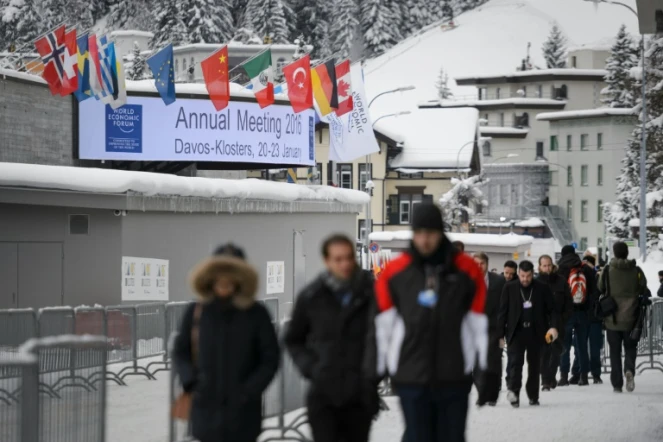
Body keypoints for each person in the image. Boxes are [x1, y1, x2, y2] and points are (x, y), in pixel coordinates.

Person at [372, 203, 487, 442]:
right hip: (410, 376)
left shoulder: (466, 270)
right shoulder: (394, 273)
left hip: (454, 375)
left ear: (440, 233)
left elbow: (480, 325)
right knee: (417, 436)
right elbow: (382, 330)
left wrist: (488, 369)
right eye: (419, 233)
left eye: (430, 233)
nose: (424, 240)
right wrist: (373, 376)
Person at [173, 244, 280, 442]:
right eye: (220, 271)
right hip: (205, 409)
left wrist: (249, 390)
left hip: (244, 414)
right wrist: (192, 382)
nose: (225, 278)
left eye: (232, 272)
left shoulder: (256, 313)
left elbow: (270, 358)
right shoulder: (197, 311)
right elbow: (181, 351)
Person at [285, 234, 379, 442]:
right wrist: (312, 368)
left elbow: (386, 337)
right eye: (338, 259)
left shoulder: (371, 294)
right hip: (323, 393)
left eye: (348, 257)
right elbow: (293, 339)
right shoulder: (312, 296)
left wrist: (373, 375)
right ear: (326, 261)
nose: (345, 264)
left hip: (360, 394)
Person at [498, 260, 558, 407]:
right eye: (523, 276)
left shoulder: (542, 288)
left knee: (534, 366)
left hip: (536, 332)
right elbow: (502, 313)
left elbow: (553, 310)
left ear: (533, 274)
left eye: (528, 276)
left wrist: (554, 327)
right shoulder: (509, 287)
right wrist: (500, 335)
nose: (525, 279)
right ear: (518, 273)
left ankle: (533, 396)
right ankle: (514, 393)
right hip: (516, 332)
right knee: (515, 364)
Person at [599, 241, 648, 393]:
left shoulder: (607, 270)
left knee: (614, 351)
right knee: (630, 347)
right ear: (627, 253)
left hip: (612, 319)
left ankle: (617, 384)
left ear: (614, 253)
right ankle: (629, 370)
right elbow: (643, 287)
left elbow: (600, 287)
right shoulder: (636, 270)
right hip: (631, 318)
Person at [557, 245, 596, 386]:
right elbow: (593, 291)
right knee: (582, 346)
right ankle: (583, 376)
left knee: (565, 345)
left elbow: (558, 294)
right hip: (583, 312)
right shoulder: (585, 268)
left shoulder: (560, 269)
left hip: (566, 314)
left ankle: (563, 377)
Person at [473, 252, 506, 406]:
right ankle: (482, 391)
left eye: (482, 264)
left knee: (493, 360)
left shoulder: (499, 281)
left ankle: (492, 392)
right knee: (477, 363)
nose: (479, 267)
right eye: (476, 264)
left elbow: (504, 306)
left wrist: (502, 330)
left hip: (494, 328)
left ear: (487, 264)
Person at [536, 255, 573, 391]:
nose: (547, 268)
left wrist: (562, 319)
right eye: (544, 265)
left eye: (549, 265)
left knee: (556, 352)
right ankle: (546, 380)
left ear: (553, 265)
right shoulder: (536, 282)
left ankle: (550, 377)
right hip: (542, 324)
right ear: (539, 267)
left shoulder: (561, 281)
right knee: (543, 353)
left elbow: (569, 303)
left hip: (558, 323)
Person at [502, 259, 518, 387]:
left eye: (511, 274)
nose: (508, 276)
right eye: (506, 273)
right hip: (501, 323)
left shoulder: (518, 285)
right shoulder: (499, 282)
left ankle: (510, 377)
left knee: (513, 353)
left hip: (513, 324)